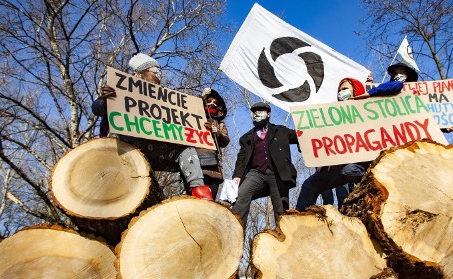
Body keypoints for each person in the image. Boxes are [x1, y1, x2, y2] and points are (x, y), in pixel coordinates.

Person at [91, 53, 213, 199]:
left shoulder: (165, 98)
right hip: (127, 147)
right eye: (155, 71)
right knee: (116, 140)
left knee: (186, 149)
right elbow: (96, 108)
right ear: (139, 75)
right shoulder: (120, 88)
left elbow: (182, 120)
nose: (159, 75)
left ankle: (199, 191)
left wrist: (199, 121)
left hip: (156, 148)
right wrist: (107, 101)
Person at [295, 77, 374, 212]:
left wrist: (370, 88)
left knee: (350, 171)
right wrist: (321, 156)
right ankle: (299, 222)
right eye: (339, 90)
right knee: (309, 185)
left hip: (361, 164)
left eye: (344, 89)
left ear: (355, 91)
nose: (341, 92)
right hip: (337, 166)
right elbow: (322, 141)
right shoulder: (332, 116)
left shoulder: (368, 109)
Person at [231, 102, 299, 228]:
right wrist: (237, 176)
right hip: (256, 173)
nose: (257, 114)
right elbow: (241, 158)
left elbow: (300, 136)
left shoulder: (281, 131)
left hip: (278, 174)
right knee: (241, 195)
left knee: (281, 210)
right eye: (255, 112)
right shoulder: (246, 138)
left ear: (268, 114)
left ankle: (284, 239)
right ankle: (237, 232)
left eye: (261, 111)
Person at [197, 87, 230, 198]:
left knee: (210, 200)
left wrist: (218, 134)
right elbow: (191, 107)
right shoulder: (196, 118)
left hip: (214, 169)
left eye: (215, 102)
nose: (212, 104)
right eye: (209, 101)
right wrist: (202, 96)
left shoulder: (220, 125)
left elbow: (225, 141)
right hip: (196, 166)